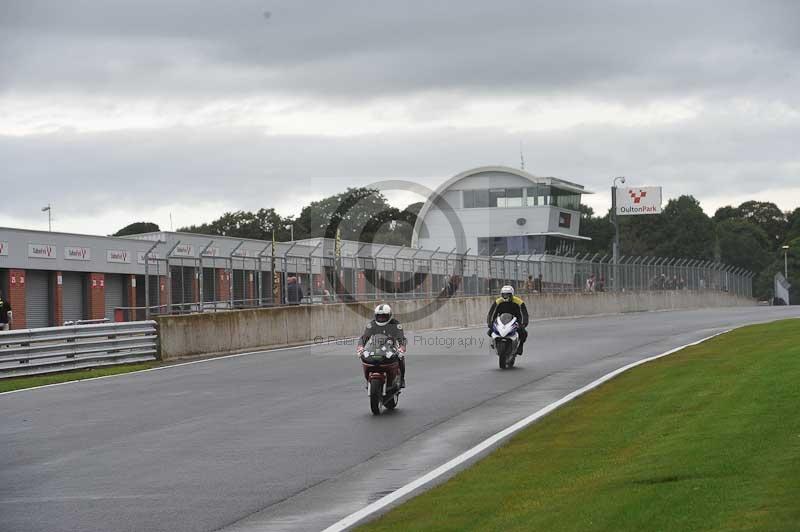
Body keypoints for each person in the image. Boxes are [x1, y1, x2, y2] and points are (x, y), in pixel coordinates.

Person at [357, 304, 407, 388]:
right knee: (365, 357)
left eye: (384, 316)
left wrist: (401, 347)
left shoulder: (396, 324)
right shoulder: (372, 324)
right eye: (379, 316)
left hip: (391, 346)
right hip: (375, 346)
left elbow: (401, 338)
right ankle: (369, 379)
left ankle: (401, 379)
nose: (381, 318)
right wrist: (360, 346)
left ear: (389, 315)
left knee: (400, 357)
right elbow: (364, 337)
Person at [486, 285, 529, 355]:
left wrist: (524, 323)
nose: (505, 296)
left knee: (523, 333)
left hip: (516, 320)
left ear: (512, 294)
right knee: (490, 331)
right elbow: (491, 313)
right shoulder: (498, 301)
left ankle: (520, 346)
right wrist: (490, 322)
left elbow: (524, 313)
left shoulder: (519, 302)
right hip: (502, 320)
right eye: (504, 294)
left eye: (507, 294)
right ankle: (494, 343)